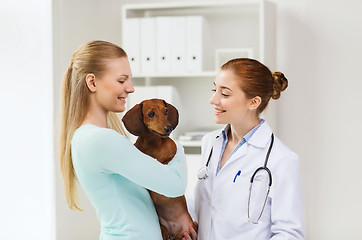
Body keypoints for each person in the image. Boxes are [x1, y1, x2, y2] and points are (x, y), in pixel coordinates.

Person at [58, 40, 197, 240]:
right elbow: (175, 184)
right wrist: (175, 144)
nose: (130, 88)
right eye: (122, 81)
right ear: (92, 82)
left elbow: (140, 205)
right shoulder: (101, 140)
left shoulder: (87, 136)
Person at [193, 58, 305, 239]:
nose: (213, 100)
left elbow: (290, 234)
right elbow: (208, 205)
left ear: (253, 102)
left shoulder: (282, 159)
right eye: (214, 90)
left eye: (225, 94)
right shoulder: (209, 143)